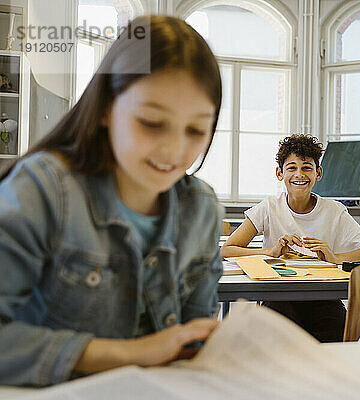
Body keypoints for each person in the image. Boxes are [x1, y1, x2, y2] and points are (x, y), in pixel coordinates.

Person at [0, 16, 224, 386]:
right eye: (152, 122)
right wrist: (135, 353)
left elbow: (191, 343)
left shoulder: (201, 209)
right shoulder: (42, 190)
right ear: (106, 108)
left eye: (197, 130)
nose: (174, 150)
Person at [221, 134, 360, 342]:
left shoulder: (334, 211)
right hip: (278, 296)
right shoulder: (269, 207)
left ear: (318, 173)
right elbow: (228, 249)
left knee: (334, 339)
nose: (299, 174)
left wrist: (334, 257)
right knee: (281, 341)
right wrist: (270, 252)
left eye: (307, 167)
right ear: (280, 173)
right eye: (291, 168)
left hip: (323, 297)